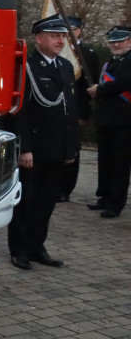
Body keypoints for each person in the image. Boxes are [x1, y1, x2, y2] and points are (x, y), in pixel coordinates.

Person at [6, 16, 79, 270]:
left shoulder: (66, 67)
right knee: (26, 202)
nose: (61, 41)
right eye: (54, 36)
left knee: (46, 203)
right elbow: (20, 110)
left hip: (57, 149)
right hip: (35, 150)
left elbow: (70, 111)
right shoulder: (27, 67)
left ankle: (37, 246)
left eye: (62, 36)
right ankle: (19, 250)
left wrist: (70, 149)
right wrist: (24, 147)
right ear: (39, 39)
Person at [87, 25, 131, 219]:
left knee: (120, 164)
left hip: (124, 121)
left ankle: (116, 203)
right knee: (105, 161)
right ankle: (104, 197)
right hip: (107, 119)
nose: (116, 44)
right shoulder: (111, 62)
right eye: (113, 41)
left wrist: (100, 91)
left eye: (120, 40)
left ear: (129, 41)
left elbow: (124, 82)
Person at [58, 17, 101, 202]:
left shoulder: (88, 54)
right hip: (57, 109)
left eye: (72, 29)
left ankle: (66, 189)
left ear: (79, 31)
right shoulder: (58, 51)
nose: (68, 33)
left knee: (72, 149)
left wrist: (84, 113)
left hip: (75, 109)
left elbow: (89, 87)